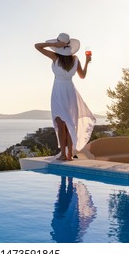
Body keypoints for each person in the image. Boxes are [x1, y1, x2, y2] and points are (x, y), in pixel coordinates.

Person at [35, 33, 96, 161]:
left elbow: (37, 46)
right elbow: (82, 75)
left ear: (59, 45)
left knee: (60, 123)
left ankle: (64, 153)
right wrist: (87, 62)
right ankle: (69, 155)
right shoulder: (75, 59)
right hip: (70, 91)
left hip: (58, 91)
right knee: (69, 123)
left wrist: (53, 45)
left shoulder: (54, 57)